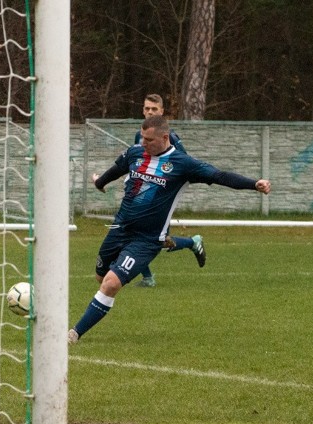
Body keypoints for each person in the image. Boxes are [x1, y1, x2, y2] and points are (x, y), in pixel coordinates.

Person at [69, 115, 270, 345]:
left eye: (149, 139)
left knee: (111, 283)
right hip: (119, 228)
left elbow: (219, 176)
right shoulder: (135, 152)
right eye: (142, 138)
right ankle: (191, 243)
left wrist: (254, 184)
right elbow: (116, 169)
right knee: (101, 277)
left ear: (165, 137)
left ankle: (73, 334)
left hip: (147, 239)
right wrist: (99, 183)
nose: (143, 143)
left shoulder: (182, 163)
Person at [131, 94, 204, 287]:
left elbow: (186, 163)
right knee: (145, 236)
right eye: (147, 108)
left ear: (162, 112)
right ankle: (192, 243)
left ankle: (191, 243)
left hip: (162, 197)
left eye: (154, 109)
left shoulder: (170, 137)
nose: (149, 112)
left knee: (155, 239)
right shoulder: (140, 135)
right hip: (144, 194)